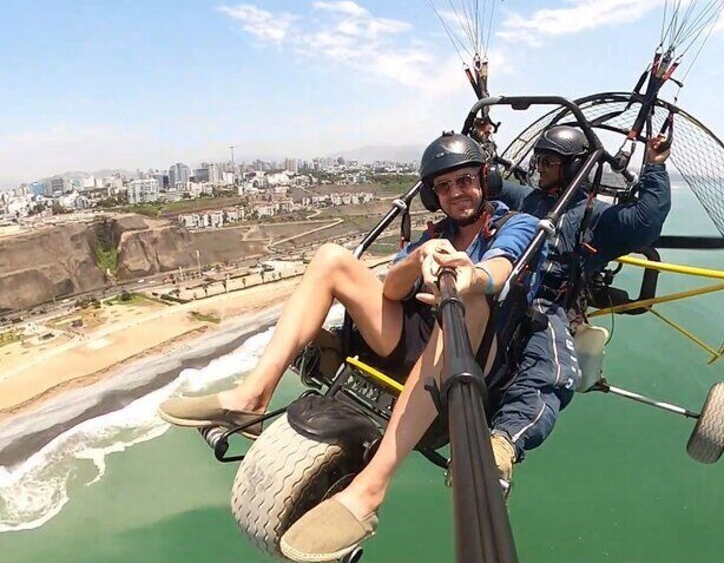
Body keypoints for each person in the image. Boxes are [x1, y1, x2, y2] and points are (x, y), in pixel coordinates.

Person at [158, 132, 541, 562]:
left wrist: (469, 277)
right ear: (434, 195)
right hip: (412, 340)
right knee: (330, 258)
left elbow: (502, 267)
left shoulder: (514, 223)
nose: (457, 193)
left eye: (466, 180)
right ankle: (252, 397)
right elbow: (393, 289)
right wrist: (419, 259)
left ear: (484, 180)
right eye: (445, 186)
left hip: (467, 350)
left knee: (466, 301)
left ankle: (370, 488)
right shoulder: (437, 234)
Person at [488, 125, 672, 485]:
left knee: (555, 372)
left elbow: (646, 221)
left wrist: (654, 166)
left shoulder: (596, 218)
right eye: (538, 160)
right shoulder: (529, 198)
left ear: (574, 168)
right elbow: (491, 185)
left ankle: (504, 443)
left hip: (545, 305)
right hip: (503, 290)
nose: (539, 167)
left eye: (548, 162)